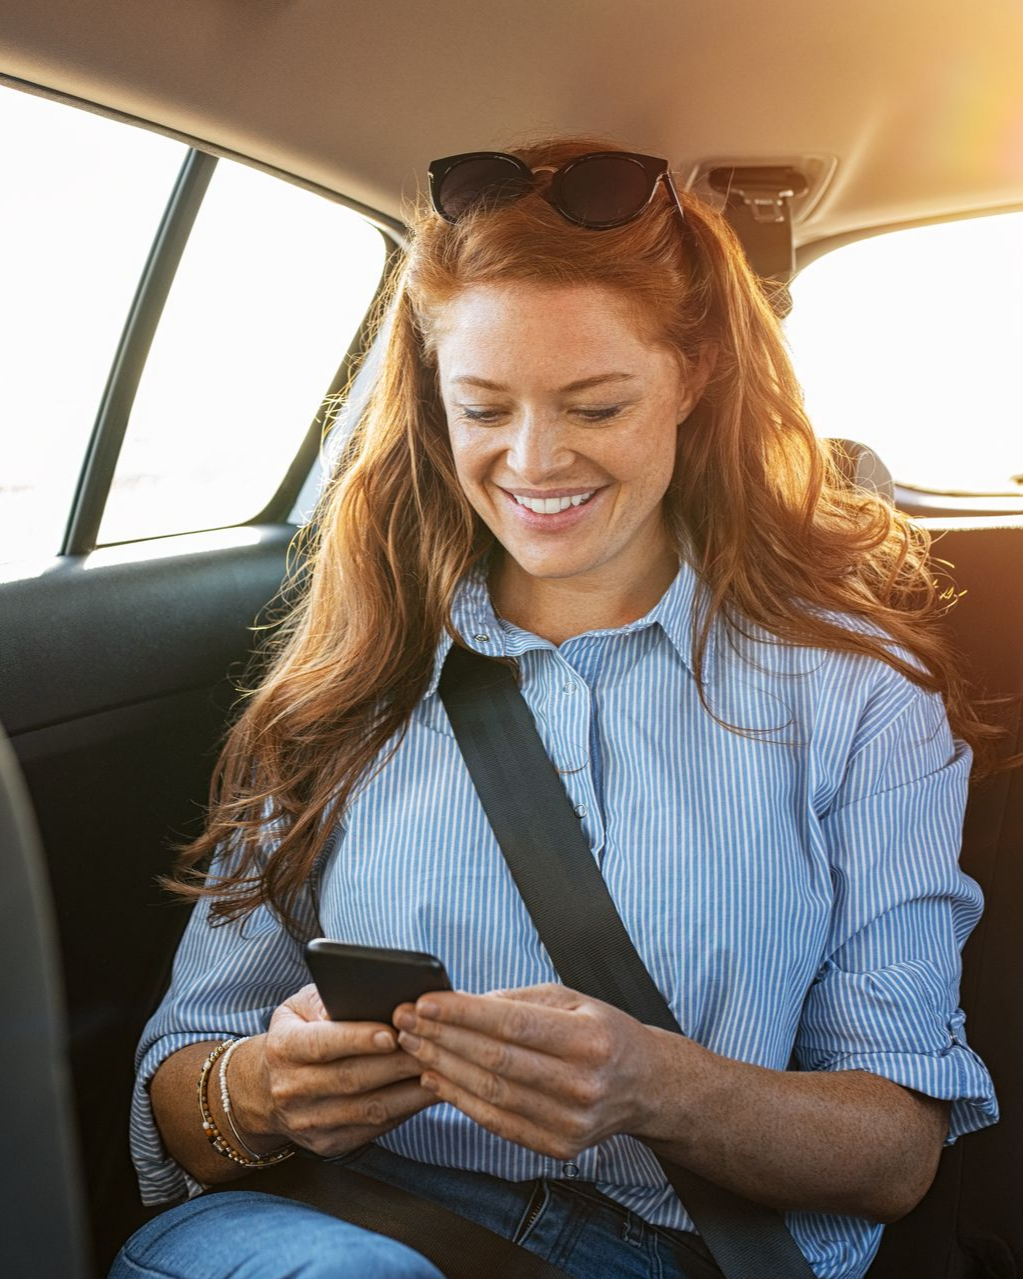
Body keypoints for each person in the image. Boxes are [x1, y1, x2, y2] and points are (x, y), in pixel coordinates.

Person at [109, 137, 999, 1279]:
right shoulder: (347, 676)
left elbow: (894, 1151)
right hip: (344, 1222)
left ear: (694, 376)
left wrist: (658, 1087)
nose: (533, 462)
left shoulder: (860, 694)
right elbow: (182, 1092)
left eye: (595, 404)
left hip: (678, 1250)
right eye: (483, 408)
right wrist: (261, 1089)